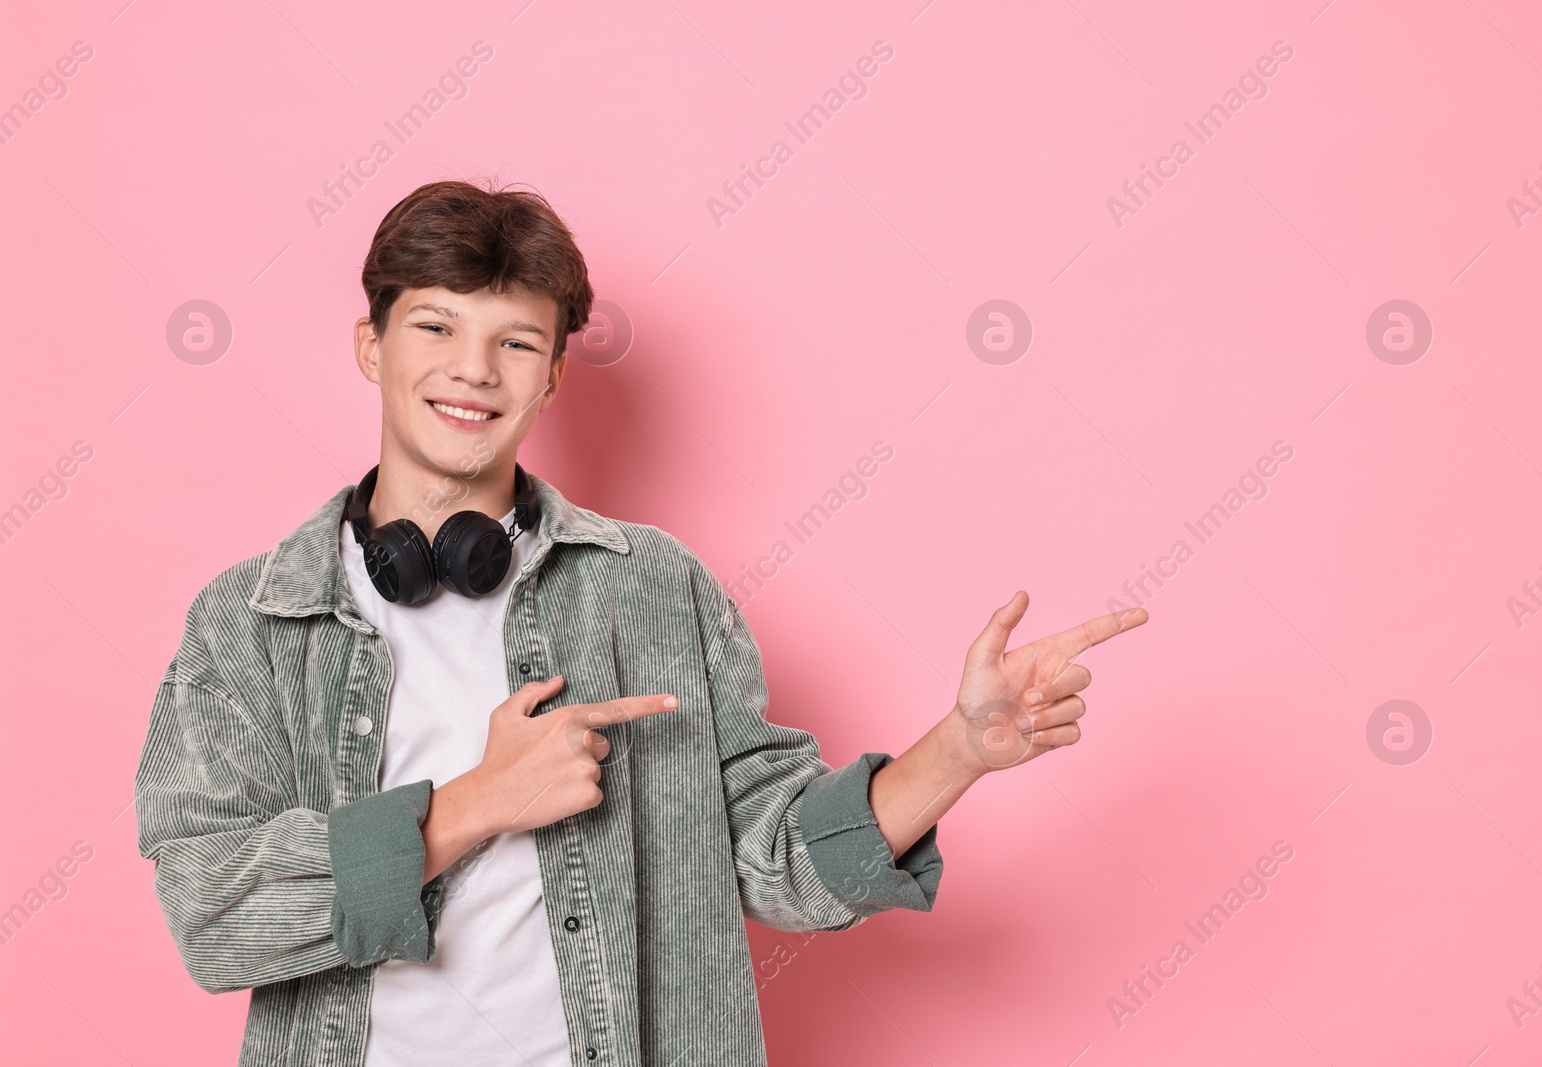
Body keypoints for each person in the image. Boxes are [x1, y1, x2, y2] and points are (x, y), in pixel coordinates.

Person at [133, 178, 1148, 1067]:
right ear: (373, 344)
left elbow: (780, 862)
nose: (475, 369)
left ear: (553, 375)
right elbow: (214, 917)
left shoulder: (653, 587)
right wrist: (477, 801)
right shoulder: (251, 620)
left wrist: (958, 748)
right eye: (437, 327)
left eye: (515, 341)